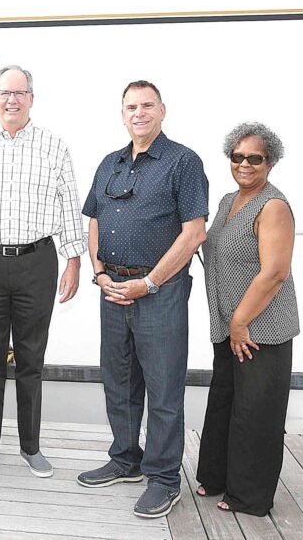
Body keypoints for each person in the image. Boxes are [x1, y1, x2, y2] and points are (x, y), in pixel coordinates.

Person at [79, 80, 208, 518]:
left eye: (147, 105)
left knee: (164, 389)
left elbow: (194, 233)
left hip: (160, 293)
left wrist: (150, 282)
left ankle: (164, 479)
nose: (139, 113)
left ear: (163, 110)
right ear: (122, 114)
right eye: (131, 106)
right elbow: (94, 220)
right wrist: (98, 273)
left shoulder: (183, 162)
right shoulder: (110, 163)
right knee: (119, 382)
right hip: (112, 289)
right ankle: (125, 459)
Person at [0, 65, 86, 479]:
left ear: (31, 98)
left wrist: (74, 260)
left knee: (31, 358)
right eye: (4, 93)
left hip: (37, 262)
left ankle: (31, 446)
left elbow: (69, 205)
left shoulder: (54, 146)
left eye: (20, 92)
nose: (11, 100)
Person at [196, 122, 299, 516]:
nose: (244, 164)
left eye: (254, 158)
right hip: (228, 327)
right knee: (225, 403)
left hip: (261, 331)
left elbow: (275, 272)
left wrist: (240, 322)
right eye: (237, 157)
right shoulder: (227, 201)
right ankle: (218, 476)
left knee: (256, 414)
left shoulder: (273, 207)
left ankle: (249, 496)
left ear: (269, 163)